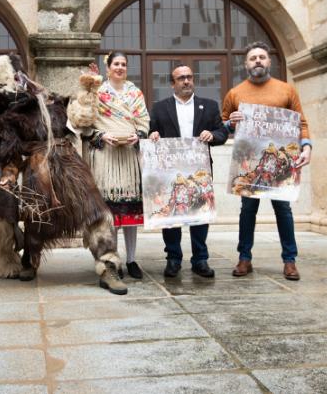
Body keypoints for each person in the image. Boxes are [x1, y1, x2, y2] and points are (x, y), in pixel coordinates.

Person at [222, 41, 312, 281]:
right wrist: (231, 121)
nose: (258, 61)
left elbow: (301, 122)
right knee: (247, 212)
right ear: (246, 64)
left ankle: (290, 261)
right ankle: (244, 258)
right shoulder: (235, 93)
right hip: (252, 165)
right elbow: (221, 124)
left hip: (282, 164)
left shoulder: (286, 90)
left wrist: (306, 146)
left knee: (283, 210)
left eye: (262, 57)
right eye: (253, 58)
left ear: (269, 61)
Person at [149, 65, 228, 278]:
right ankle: (173, 259)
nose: (186, 81)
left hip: (199, 172)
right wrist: (153, 135)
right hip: (170, 173)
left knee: (200, 213)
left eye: (189, 77)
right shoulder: (159, 108)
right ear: (172, 83)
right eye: (181, 78)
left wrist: (212, 135)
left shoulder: (209, 106)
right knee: (172, 213)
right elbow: (150, 132)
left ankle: (200, 260)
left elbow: (222, 133)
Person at [86, 51, 150, 279]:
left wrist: (139, 135)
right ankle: (111, 259)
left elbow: (144, 121)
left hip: (129, 158)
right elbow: (86, 122)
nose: (120, 68)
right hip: (106, 159)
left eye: (124, 64)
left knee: (130, 212)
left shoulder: (135, 93)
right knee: (110, 213)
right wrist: (101, 135)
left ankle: (132, 259)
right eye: (116, 64)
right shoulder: (98, 92)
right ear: (108, 67)